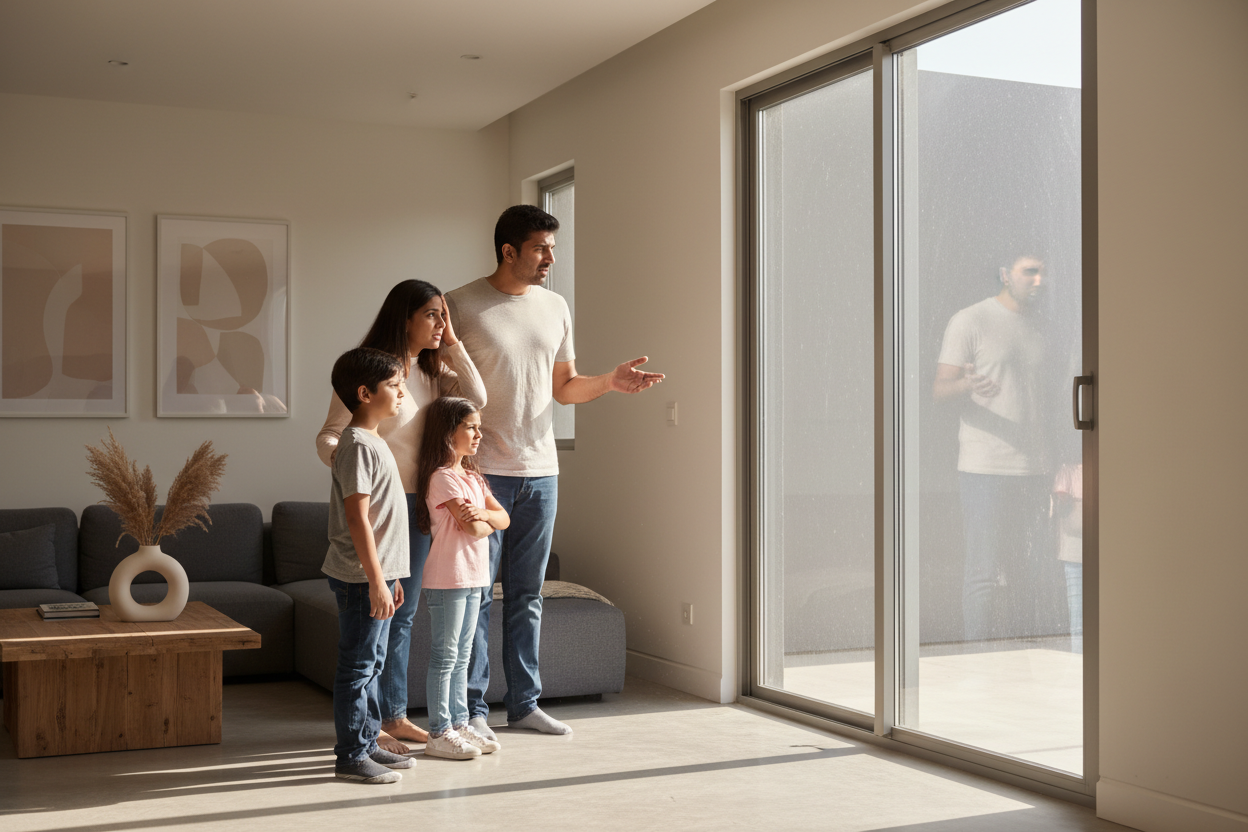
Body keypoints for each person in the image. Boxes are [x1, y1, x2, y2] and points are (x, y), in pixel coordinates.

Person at [446, 205, 664, 738]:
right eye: (541, 247)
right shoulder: (461, 305)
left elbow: (563, 387)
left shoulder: (555, 306)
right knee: (475, 596)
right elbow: (445, 395)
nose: (550, 258)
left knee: (528, 595)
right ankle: (473, 711)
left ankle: (524, 703)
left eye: (552, 248)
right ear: (508, 251)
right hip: (484, 473)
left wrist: (609, 382)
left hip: (541, 471)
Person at [317, 279, 486, 753]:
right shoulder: (372, 371)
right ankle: (377, 725)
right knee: (387, 614)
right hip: (385, 506)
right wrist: (354, 472)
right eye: (433, 315)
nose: (440, 323)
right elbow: (331, 434)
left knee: (404, 615)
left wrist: (452, 342)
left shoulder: (435, 371)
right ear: (405, 317)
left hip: (426, 503)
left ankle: (388, 716)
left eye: (444, 315)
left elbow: (477, 399)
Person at [934, 251, 1053, 643]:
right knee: (983, 571)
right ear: (1005, 274)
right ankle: (977, 662)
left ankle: (1022, 657)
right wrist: (968, 385)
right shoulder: (971, 320)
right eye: (1030, 272)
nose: (1039, 281)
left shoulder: (1038, 327)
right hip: (984, 467)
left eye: (1042, 273)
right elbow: (939, 389)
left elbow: (1039, 399)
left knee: (1028, 570)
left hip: (1033, 469)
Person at [323, 347, 417, 784]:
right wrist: (377, 580)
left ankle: (369, 741)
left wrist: (392, 576)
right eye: (394, 385)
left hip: (378, 577)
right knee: (359, 667)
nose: (402, 391)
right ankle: (352, 756)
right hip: (360, 578)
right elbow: (358, 517)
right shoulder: (357, 444)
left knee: (374, 663)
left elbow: (383, 517)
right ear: (364, 393)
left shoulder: (374, 440)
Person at [414, 396, 510, 759]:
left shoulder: (472, 477)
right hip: (448, 577)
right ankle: (438, 732)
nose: (478, 434)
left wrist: (484, 515)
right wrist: (486, 519)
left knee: (463, 655)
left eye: (478, 427)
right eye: (470, 426)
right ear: (447, 431)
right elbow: (473, 529)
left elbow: (505, 520)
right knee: (446, 655)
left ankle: (458, 722)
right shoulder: (441, 478)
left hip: (475, 576)